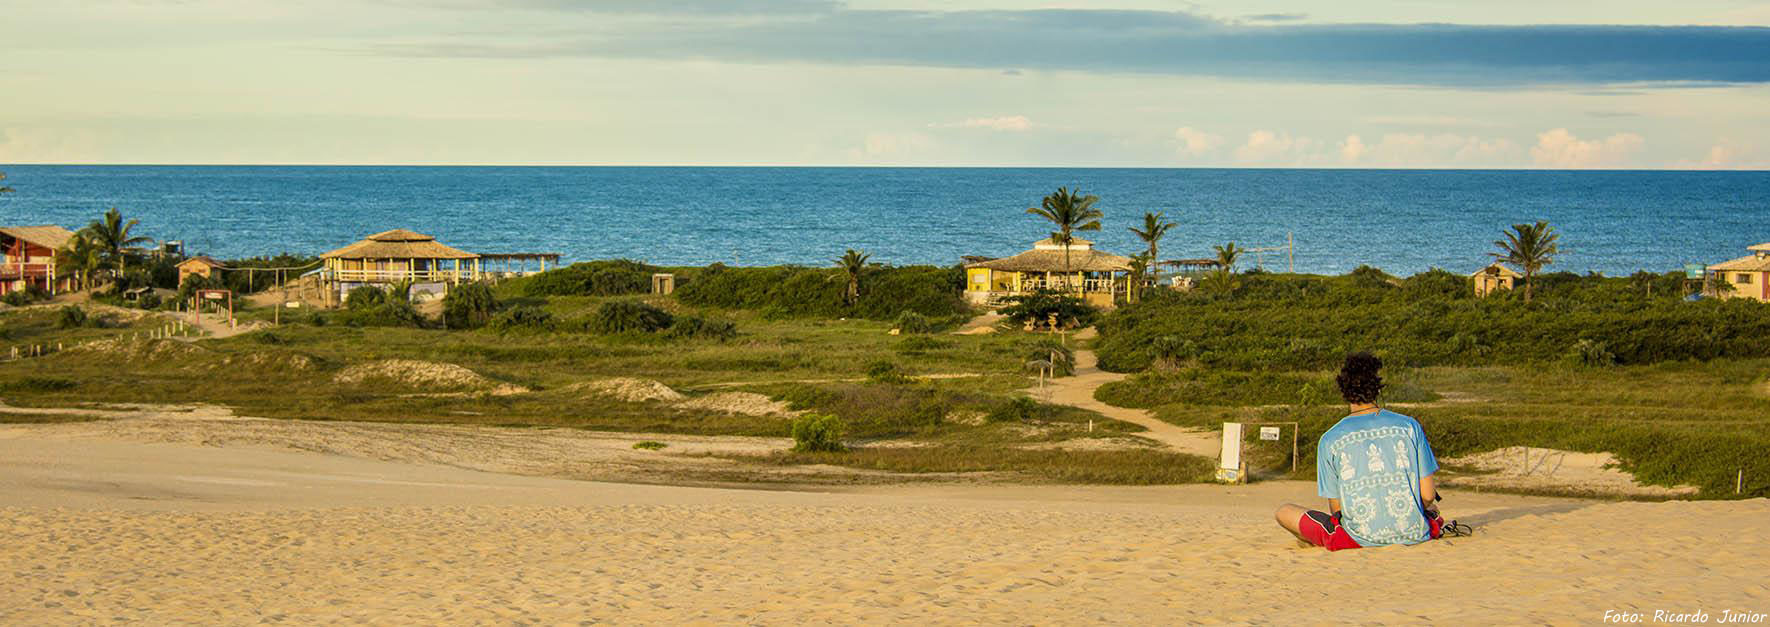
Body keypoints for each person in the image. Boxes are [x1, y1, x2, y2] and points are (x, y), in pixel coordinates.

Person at [1275, 352, 1445, 550]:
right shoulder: (1409, 426)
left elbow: (1337, 510)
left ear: (1344, 391)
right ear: (1377, 389)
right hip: (1415, 533)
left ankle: (1313, 541)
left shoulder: (1330, 439)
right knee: (1433, 509)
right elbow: (1428, 495)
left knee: (1284, 511)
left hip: (1357, 538)